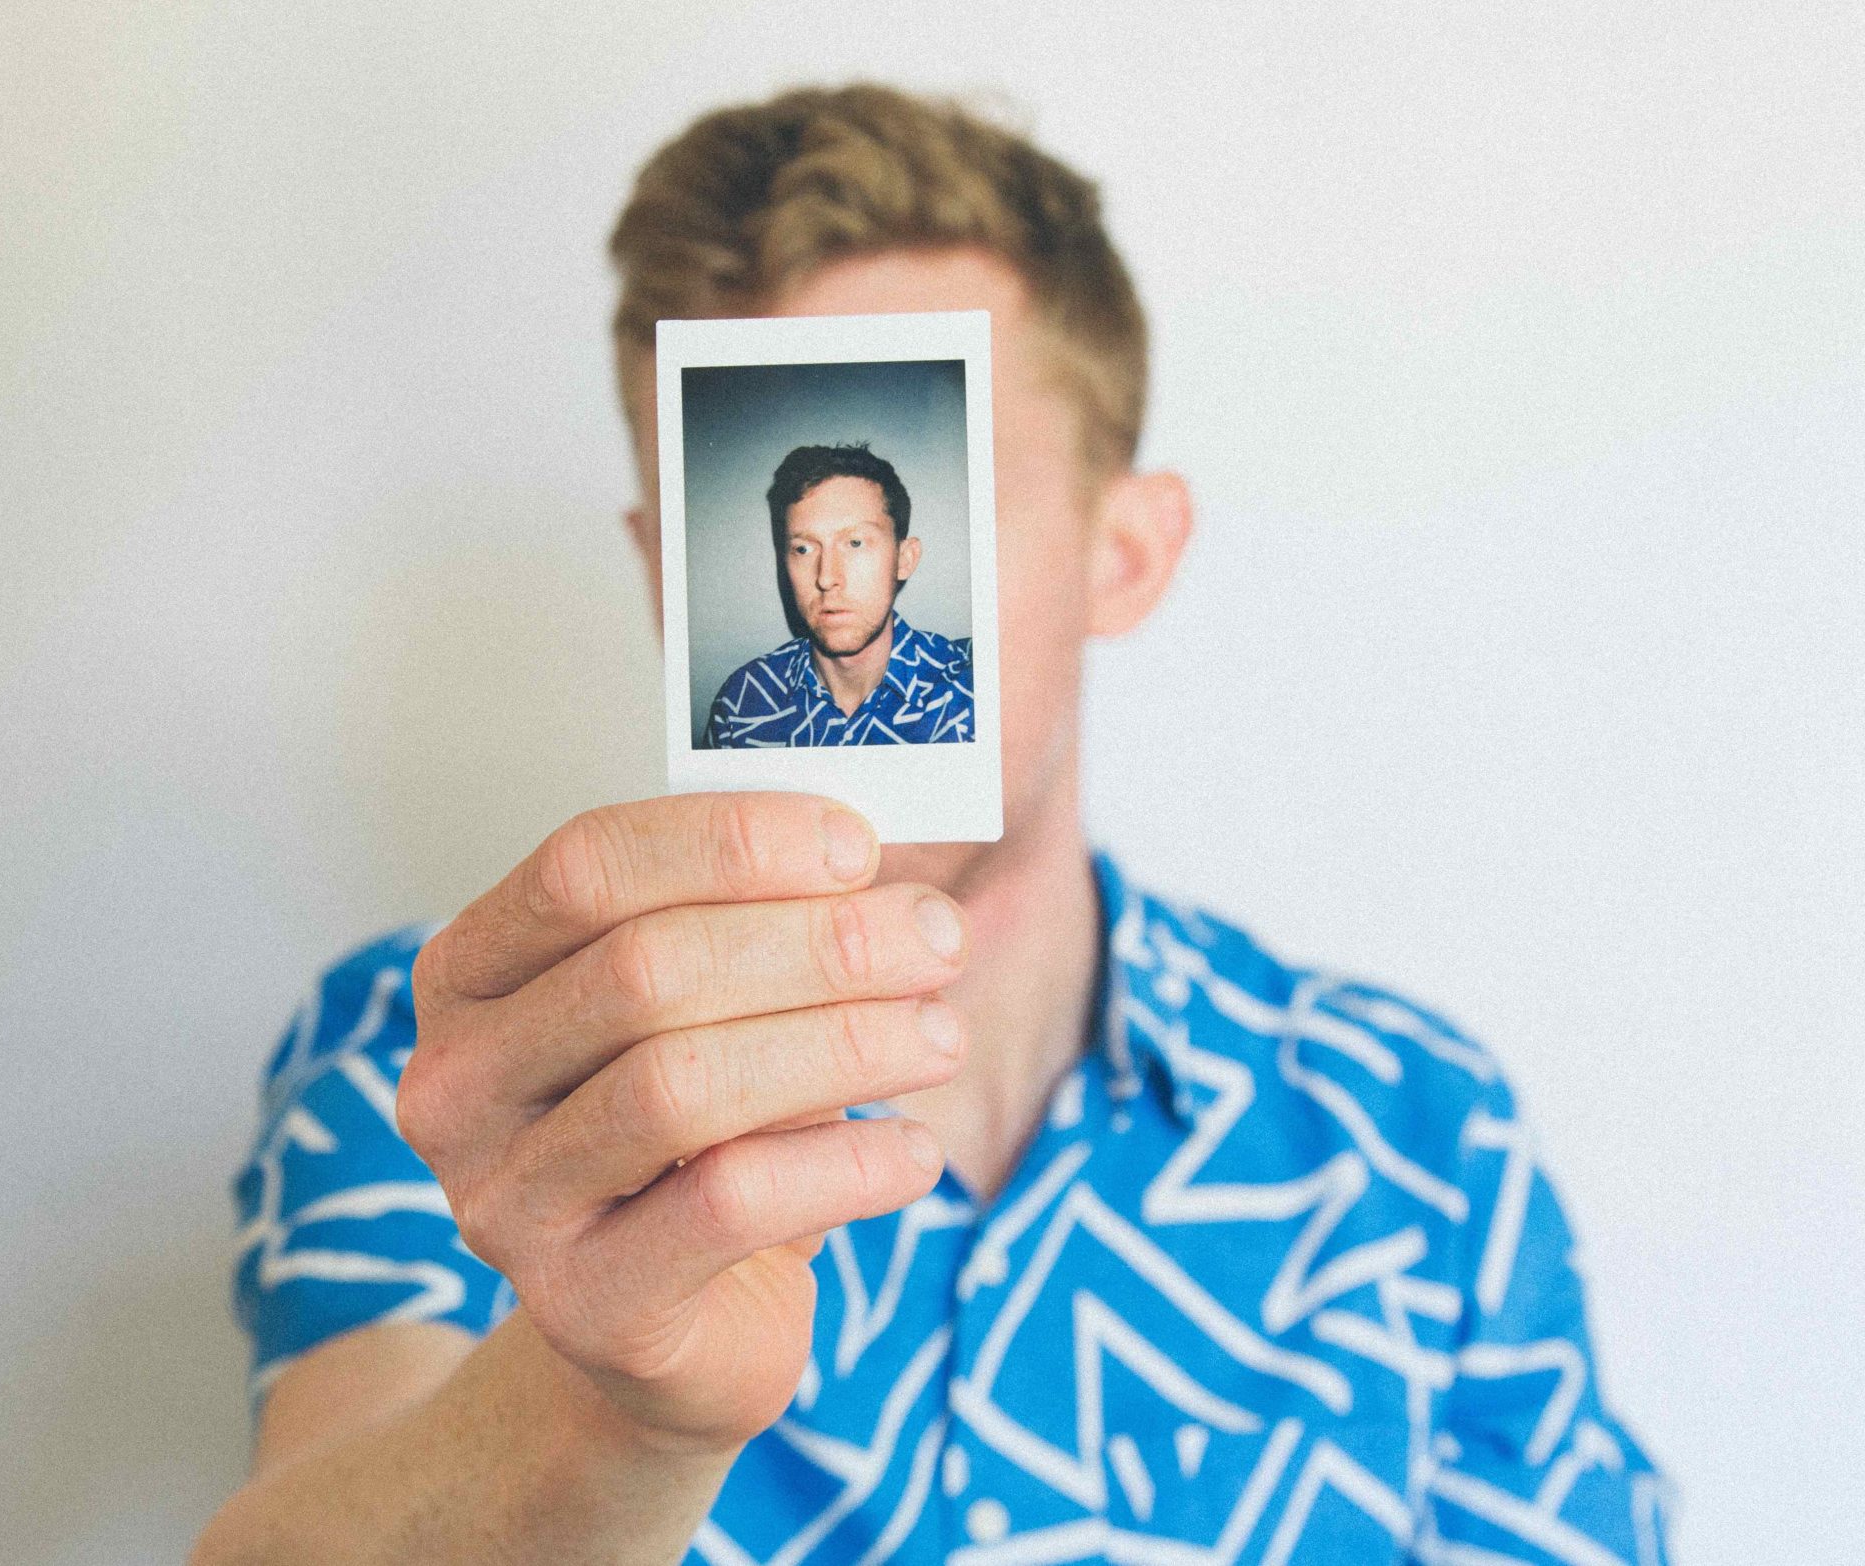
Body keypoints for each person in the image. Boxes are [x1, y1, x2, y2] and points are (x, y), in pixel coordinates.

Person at [192, 84, 1671, 1565]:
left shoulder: (1412, 1135)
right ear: (670, 577)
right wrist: (614, 1410)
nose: (829, 586)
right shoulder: (456, 1058)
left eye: (934, 517)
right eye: (761, 542)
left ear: (1126, 551)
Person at [703, 441, 975, 748]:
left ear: (904, 559)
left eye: (855, 543)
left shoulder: (973, 694)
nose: (826, 577)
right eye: (803, 549)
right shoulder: (742, 706)